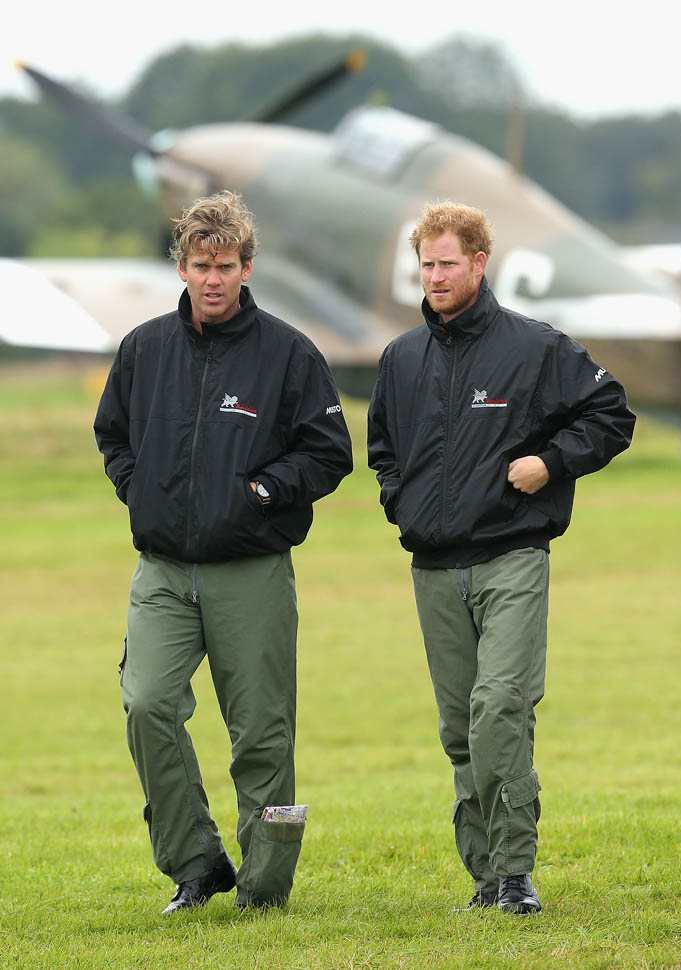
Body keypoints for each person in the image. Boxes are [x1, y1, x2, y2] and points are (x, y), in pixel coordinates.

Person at [367, 202, 635, 914]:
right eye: (426, 264)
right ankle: (486, 879)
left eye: (448, 263)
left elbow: (612, 414)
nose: (435, 276)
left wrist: (551, 463)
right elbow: (383, 451)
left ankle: (516, 873)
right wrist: (401, 501)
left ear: (480, 263)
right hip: (433, 568)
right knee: (461, 729)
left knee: (499, 709)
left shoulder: (535, 348)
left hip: (512, 554)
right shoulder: (400, 358)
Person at [94, 190, 353, 915]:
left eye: (227, 266)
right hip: (163, 571)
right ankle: (197, 864)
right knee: (147, 704)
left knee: (262, 736)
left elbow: (330, 452)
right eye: (201, 265)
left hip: (252, 572)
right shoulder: (144, 348)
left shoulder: (289, 353)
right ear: (181, 267)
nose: (213, 279)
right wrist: (140, 492)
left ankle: (265, 889)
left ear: (247, 268)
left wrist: (262, 493)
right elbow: (112, 433)